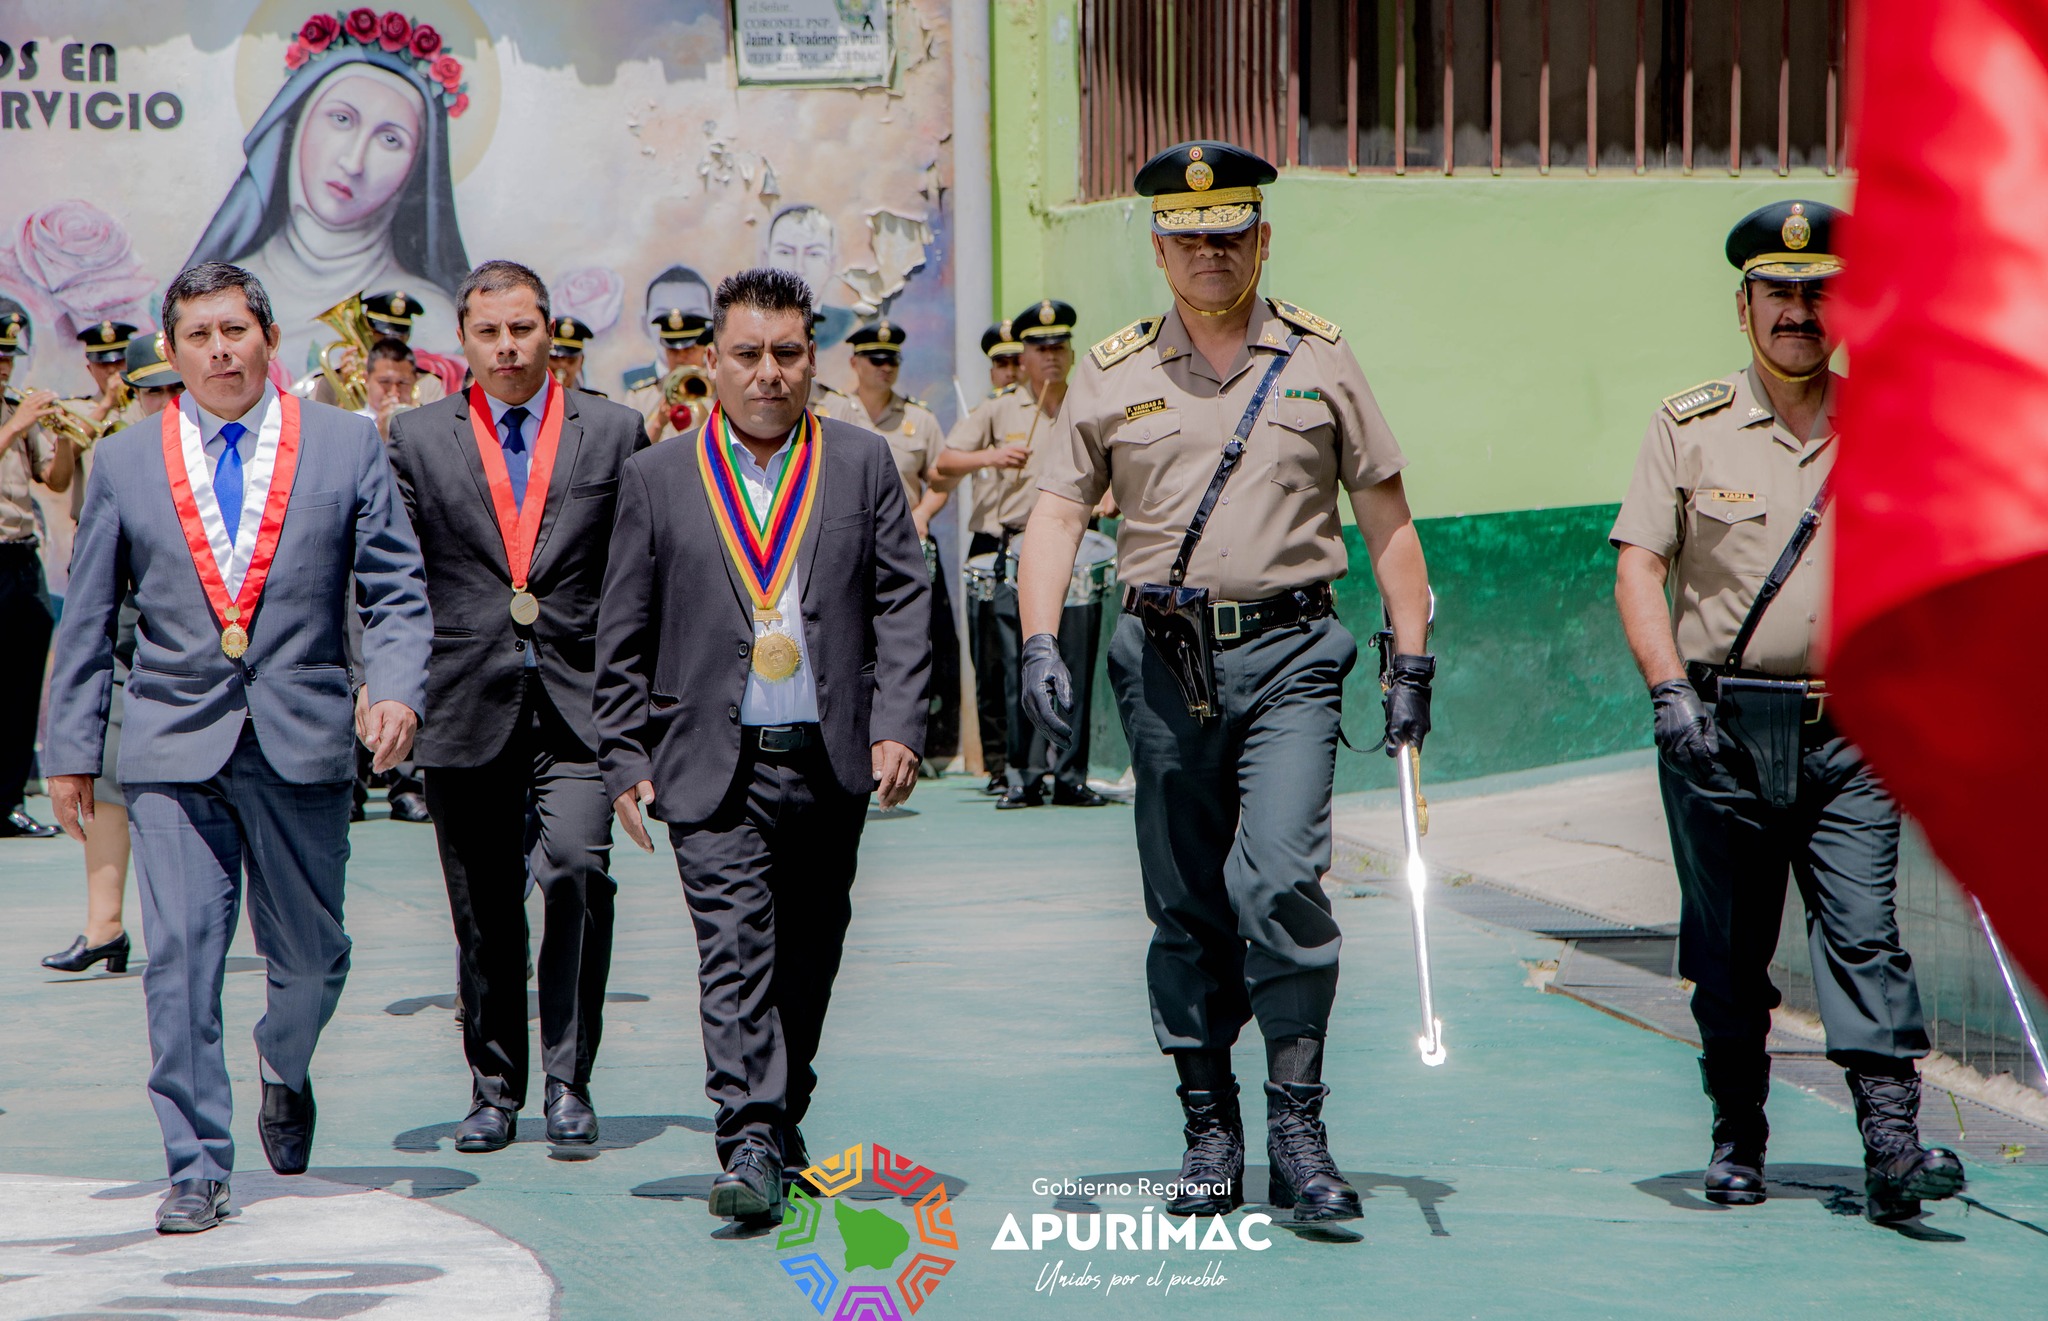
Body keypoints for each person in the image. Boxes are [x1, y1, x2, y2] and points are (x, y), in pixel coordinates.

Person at [1018, 142, 1435, 1225]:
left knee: (1279, 879)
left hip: (1294, 655)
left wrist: (1408, 654)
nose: (1209, 251)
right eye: (1188, 235)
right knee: (1186, 904)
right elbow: (1058, 512)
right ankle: (1208, 1122)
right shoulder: (1109, 371)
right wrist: (1034, 643)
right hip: (1161, 666)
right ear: (1159, 247)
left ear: (1262, 238)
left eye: (1229, 233)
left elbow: (1385, 516)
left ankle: (1297, 1125)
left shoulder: (1320, 358)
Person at [42, 261, 431, 1234]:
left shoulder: (343, 445)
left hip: (302, 735)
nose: (220, 349)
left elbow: (395, 589)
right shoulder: (129, 461)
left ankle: (283, 1061)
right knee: (177, 957)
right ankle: (196, 1162)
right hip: (172, 743)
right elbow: (87, 618)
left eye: (235, 330)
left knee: (313, 957)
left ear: (267, 338)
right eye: (199, 335)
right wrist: (70, 747)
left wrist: (394, 689)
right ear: (171, 355)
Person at [1610, 200, 1965, 1223]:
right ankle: (1736, 1135)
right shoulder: (1684, 428)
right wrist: (1668, 691)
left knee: (1863, 934)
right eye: (1778, 293)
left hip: (1852, 733)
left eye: (1816, 294)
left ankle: (1891, 1147)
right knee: (1725, 953)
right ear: (1744, 307)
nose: (1798, 312)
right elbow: (1639, 566)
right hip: (1719, 730)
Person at [595, 268, 929, 1225]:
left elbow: (904, 598)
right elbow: (621, 628)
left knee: (809, 957)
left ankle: (781, 1123)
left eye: (787, 353)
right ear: (712, 361)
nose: (768, 373)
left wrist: (898, 723)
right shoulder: (659, 477)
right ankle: (745, 1131)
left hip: (831, 759)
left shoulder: (862, 462)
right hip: (709, 758)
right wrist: (626, 756)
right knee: (735, 948)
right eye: (746, 354)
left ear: (811, 360)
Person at [387, 261, 648, 1153]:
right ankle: (494, 1086)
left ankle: (570, 1082)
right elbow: (393, 577)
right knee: (484, 905)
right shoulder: (416, 437)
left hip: (584, 703)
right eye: (489, 332)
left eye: (523, 330)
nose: (507, 348)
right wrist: (386, 687)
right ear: (463, 341)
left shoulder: (615, 430)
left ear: (551, 333)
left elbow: (640, 574)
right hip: (463, 702)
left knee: (577, 871)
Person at [186, 31, 471, 374]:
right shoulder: (221, 297)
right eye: (341, 119)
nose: (354, 162)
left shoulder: (433, 315)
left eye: (390, 139)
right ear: (297, 125)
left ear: (415, 170)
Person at [42, 333, 184, 973]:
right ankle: (104, 925)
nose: (165, 401)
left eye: (173, 388)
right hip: (123, 615)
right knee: (102, 770)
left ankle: (175, 928)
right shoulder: (118, 448)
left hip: (190, 629)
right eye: (153, 390)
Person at [935, 299, 1107, 809]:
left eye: (1059, 347)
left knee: (1077, 661)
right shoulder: (1000, 407)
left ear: (1071, 353)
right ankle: (1023, 774)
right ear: (1024, 356)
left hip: (1077, 545)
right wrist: (991, 455)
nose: (1051, 357)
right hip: (1017, 549)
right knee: (1020, 664)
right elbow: (944, 461)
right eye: (1040, 348)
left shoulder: (1089, 401)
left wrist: (1113, 492)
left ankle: (1071, 776)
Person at [816, 320, 960, 763]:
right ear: (855, 362)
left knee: (910, 641)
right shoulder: (829, 413)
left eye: (892, 359)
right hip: (844, 549)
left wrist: (922, 514)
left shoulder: (920, 418)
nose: (885, 367)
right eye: (876, 359)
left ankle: (908, 740)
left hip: (902, 549)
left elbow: (942, 478)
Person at [0, 307, 74, 838]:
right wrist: (18, 425)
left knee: (22, 683)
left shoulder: (13, 409)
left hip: (21, 557)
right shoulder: (13, 416)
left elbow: (54, 477)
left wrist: (66, 432)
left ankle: (7, 801)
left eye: (9, 356)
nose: (5, 366)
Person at [623, 308, 711, 442]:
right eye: (673, 351)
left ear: (704, 349)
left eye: (689, 349)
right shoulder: (640, 397)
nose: (681, 358)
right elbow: (629, 453)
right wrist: (658, 423)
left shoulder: (721, 392)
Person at [547, 315, 598, 395]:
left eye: (571, 360)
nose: (562, 365)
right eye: (555, 358)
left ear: (581, 361)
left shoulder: (592, 404)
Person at [982, 319, 1024, 394]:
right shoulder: (985, 405)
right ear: (992, 375)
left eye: (1017, 363)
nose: (1010, 373)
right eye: (1002, 365)